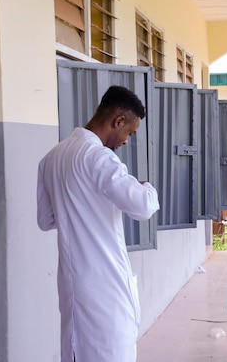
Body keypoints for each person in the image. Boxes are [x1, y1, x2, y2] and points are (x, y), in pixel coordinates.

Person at [37, 85, 159, 361]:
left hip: (72, 287)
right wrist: (146, 186)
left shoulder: (52, 158)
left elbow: (46, 220)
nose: (126, 141)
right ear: (117, 121)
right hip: (105, 287)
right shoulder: (99, 157)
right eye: (129, 132)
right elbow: (143, 206)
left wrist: (80, 206)